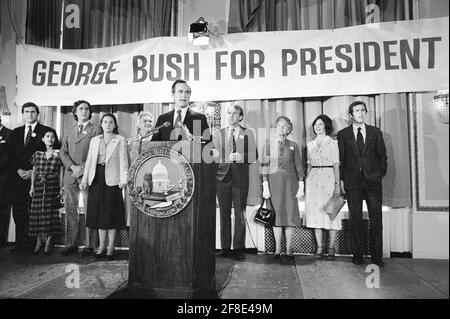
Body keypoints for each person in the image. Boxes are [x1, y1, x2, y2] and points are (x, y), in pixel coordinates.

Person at [337, 101, 387, 266]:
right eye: (356, 110)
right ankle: (357, 256)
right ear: (351, 115)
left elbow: (382, 156)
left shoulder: (375, 132)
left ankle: (376, 257)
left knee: (376, 220)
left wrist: (379, 174)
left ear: (366, 113)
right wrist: (342, 181)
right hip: (353, 183)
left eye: (362, 110)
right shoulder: (343, 134)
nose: (360, 113)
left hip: (373, 182)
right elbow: (342, 159)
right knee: (355, 220)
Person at [80, 113, 128, 260]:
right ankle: (101, 246)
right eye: (105, 122)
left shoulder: (120, 140)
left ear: (115, 125)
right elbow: (89, 161)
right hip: (96, 178)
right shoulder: (95, 140)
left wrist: (124, 179)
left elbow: (123, 161)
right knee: (99, 214)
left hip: (113, 180)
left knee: (111, 214)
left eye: (111, 122)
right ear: (101, 124)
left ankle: (111, 248)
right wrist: (84, 179)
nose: (108, 125)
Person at [8, 102, 55, 251]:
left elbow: (50, 154)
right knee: (19, 211)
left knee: (36, 212)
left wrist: (32, 172)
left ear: (37, 114)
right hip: (18, 179)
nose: (30, 114)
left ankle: (35, 243)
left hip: (39, 179)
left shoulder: (46, 131)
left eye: (33, 112)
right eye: (27, 112)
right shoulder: (15, 132)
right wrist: (18, 170)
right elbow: (10, 155)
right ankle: (21, 243)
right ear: (22, 114)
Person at [213, 104, 257, 260]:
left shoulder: (248, 133)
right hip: (222, 178)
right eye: (229, 113)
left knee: (239, 214)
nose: (231, 116)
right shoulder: (219, 133)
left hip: (240, 179)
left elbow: (253, 156)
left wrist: (242, 157)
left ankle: (238, 248)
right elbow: (214, 156)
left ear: (240, 117)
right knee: (224, 214)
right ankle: (225, 248)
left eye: (235, 113)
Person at [60, 100, 100, 256]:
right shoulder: (69, 131)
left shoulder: (96, 130)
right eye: (81, 109)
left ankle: (91, 246)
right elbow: (63, 152)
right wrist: (73, 167)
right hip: (70, 175)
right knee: (71, 210)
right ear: (75, 112)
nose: (84, 111)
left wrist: (82, 168)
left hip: (89, 174)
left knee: (91, 210)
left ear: (90, 112)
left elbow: (97, 153)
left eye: (87, 109)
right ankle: (71, 244)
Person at [261, 116, 304, 262]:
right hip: (274, 184)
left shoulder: (294, 145)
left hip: (290, 184)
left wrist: (301, 183)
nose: (282, 128)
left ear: (289, 129)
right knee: (277, 215)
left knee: (290, 214)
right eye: (279, 125)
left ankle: (289, 248)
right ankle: (278, 249)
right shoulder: (268, 145)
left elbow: (299, 165)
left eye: (285, 126)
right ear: (275, 127)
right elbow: (264, 165)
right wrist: (265, 183)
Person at [303, 115, 341, 259]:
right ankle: (319, 247)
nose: (318, 127)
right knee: (315, 213)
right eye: (316, 125)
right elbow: (309, 164)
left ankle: (331, 247)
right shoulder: (310, 144)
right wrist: (306, 182)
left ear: (326, 126)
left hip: (329, 178)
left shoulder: (332, 143)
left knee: (331, 213)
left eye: (321, 124)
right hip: (313, 180)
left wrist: (337, 185)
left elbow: (336, 164)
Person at [28, 129, 63, 255]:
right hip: (39, 187)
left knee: (50, 215)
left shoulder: (58, 154)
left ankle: (48, 242)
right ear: (42, 139)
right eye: (47, 136)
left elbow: (61, 173)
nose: (50, 138)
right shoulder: (37, 154)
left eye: (52, 136)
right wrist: (32, 186)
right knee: (37, 214)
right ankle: (38, 242)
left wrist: (60, 188)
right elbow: (34, 171)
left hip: (52, 187)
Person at [0, 115, 12, 247]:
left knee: (2, 210)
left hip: (3, 178)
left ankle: (1, 241)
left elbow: (10, 156)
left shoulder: (9, 134)